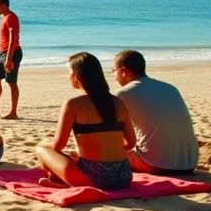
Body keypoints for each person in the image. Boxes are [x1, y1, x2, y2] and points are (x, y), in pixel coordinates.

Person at [36, 53, 136, 190]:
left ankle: (60, 183)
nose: (68, 76)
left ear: (77, 76)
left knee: (42, 149)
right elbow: (131, 143)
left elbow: (58, 146)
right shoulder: (118, 103)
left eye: (69, 72)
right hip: (123, 177)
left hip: (94, 178)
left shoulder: (73, 104)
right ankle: (62, 182)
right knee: (71, 155)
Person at [112, 50, 199, 175]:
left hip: (154, 163)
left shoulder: (122, 94)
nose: (114, 76)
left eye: (114, 71)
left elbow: (112, 134)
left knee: (107, 154)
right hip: (189, 163)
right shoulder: (170, 88)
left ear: (123, 71)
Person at [0, 0, 22, 119]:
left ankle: (13, 112)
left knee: (11, 82)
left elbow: (13, 38)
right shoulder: (3, 17)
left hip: (12, 53)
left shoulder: (11, 18)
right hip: (3, 54)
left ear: (4, 5)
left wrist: (9, 59)